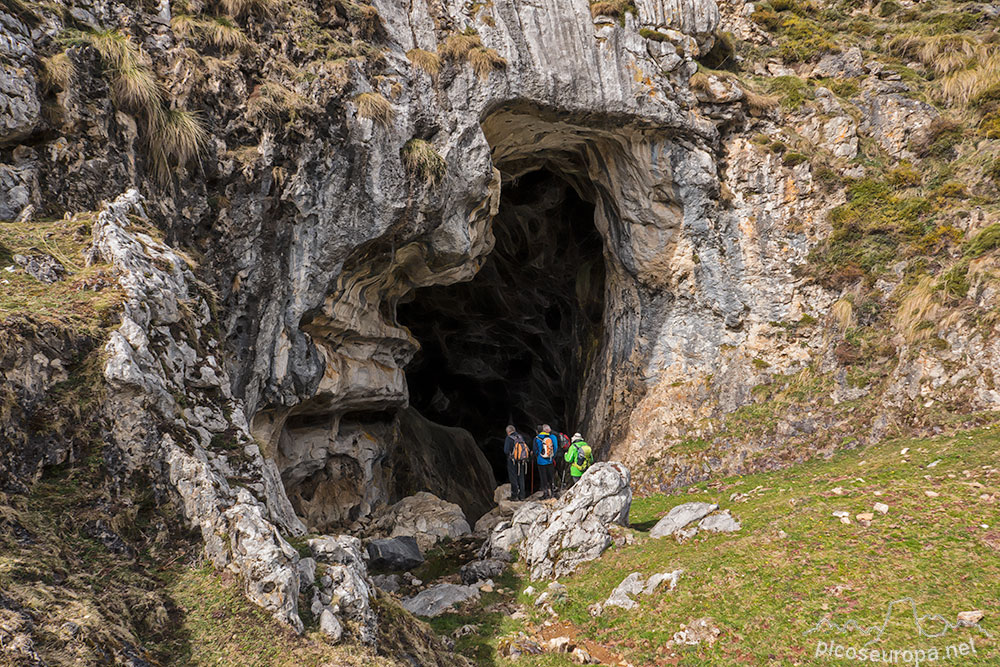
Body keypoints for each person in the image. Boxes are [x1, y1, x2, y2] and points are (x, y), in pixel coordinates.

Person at [503, 425, 529, 501]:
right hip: (521, 461)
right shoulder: (520, 437)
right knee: (521, 477)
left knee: (513, 477)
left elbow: (506, 450)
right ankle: (522, 495)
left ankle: (514, 496)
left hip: (513, 461)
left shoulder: (509, 438)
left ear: (508, 432)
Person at [534, 424, 558, 499]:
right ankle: (553, 492)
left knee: (543, 477)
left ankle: (546, 493)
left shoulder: (537, 438)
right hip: (550, 460)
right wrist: (551, 456)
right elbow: (555, 447)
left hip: (541, 461)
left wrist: (538, 455)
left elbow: (535, 450)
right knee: (551, 476)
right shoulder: (550, 437)